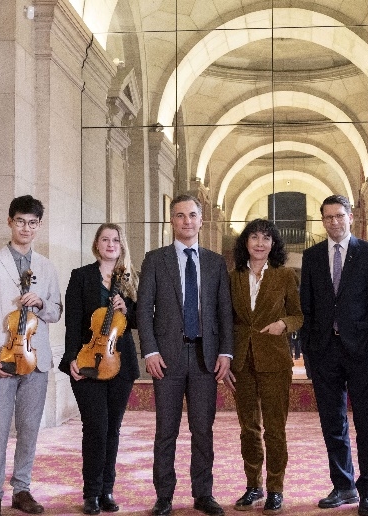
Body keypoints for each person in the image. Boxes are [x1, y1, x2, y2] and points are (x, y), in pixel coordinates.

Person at [136, 194, 234, 516]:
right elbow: (144, 310)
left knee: (202, 430)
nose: (186, 221)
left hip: (206, 357)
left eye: (192, 215)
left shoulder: (215, 262)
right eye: (180, 215)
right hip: (167, 358)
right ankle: (164, 496)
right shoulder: (155, 259)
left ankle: (203, 494)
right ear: (172, 221)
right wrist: (150, 350)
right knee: (166, 430)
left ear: (201, 220)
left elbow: (224, 311)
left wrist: (226, 352)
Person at [298, 194, 368, 516]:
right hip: (324, 351)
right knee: (332, 422)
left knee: (367, 422)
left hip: (362, 351)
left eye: (339, 215)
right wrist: (308, 350)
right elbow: (307, 306)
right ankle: (343, 485)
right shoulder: (311, 257)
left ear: (350, 217)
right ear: (322, 220)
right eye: (328, 217)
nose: (334, 222)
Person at [0, 195, 64, 516]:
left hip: (36, 359)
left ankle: (22, 489)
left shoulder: (47, 267)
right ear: (10, 222)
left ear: (39, 226)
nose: (26, 228)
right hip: (1, 358)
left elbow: (56, 312)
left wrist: (41, 303)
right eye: (21, 221)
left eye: (32, 223)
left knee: (29, 428)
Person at [58, 223, 140, 515]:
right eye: (105, 239)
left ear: (121, 245)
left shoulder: (131, 280)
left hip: (120, 362)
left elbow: (140, 321)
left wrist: (126, 309)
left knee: (113, 429)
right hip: (88, 361)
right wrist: (71, 357)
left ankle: (107, 490)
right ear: (96, 244)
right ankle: (91, 493)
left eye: (115, 240)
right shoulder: (80, 276)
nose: (110, 244)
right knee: (95, 427)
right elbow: (73, 322)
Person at [225, 219, 304, 515]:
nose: (260, 243)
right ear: (245, 242)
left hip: (275, 359)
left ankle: (275, 489)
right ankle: (253, 486)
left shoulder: (284, 275)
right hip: (241, 360)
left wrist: (283, 323)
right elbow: (226, 319)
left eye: (266, 238)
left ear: (273, 244)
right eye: (254, 237)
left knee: (274, 429)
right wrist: (226, 358)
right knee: (248, 428)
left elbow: (298, 315)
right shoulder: (233, 276)